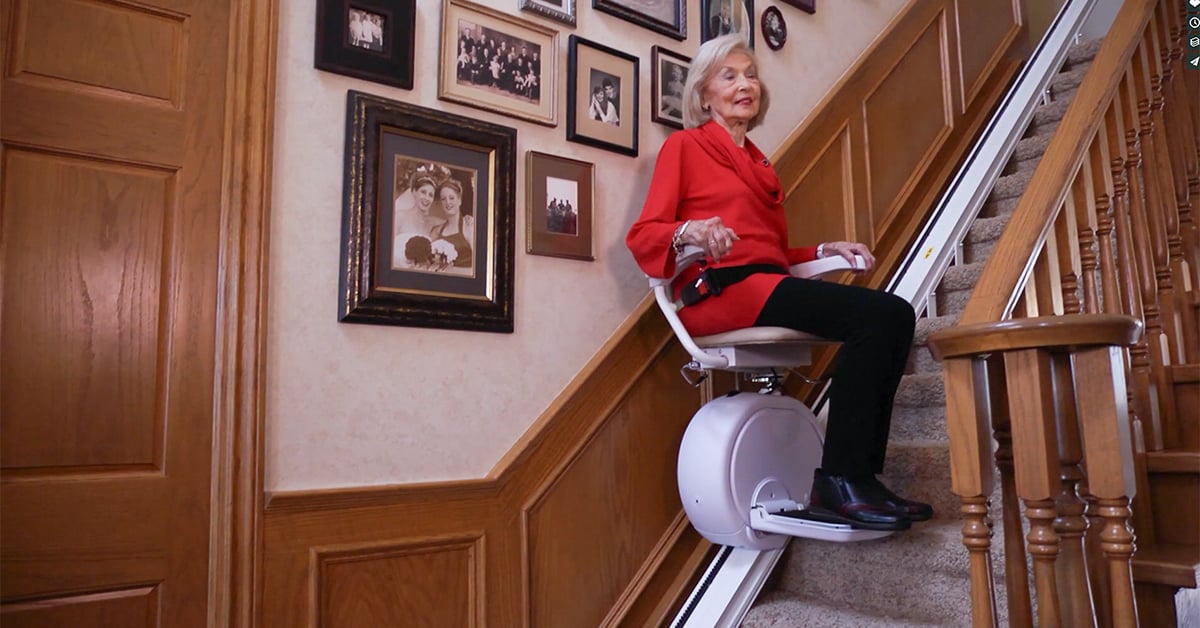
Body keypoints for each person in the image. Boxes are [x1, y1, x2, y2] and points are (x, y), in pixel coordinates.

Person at [625, 34, 929, 532]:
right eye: (730, 76)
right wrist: (691, 230)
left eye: (751, 74)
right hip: (718, 293)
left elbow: (766, 255)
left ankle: (858, 479)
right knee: (879, 316)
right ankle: (840, 479)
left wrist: (821, 252)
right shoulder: (685, 147)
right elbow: (643, 237)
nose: (746, 84)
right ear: (704, 95)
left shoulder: (758, 162)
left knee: (892, 314)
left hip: (759, 285)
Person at [432, 179, 474, 269]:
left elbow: (481, 263)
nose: (448, 202)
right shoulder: (437, 231)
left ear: (459, 200)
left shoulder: (469, 226)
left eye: (451, 198)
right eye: (443, 199)